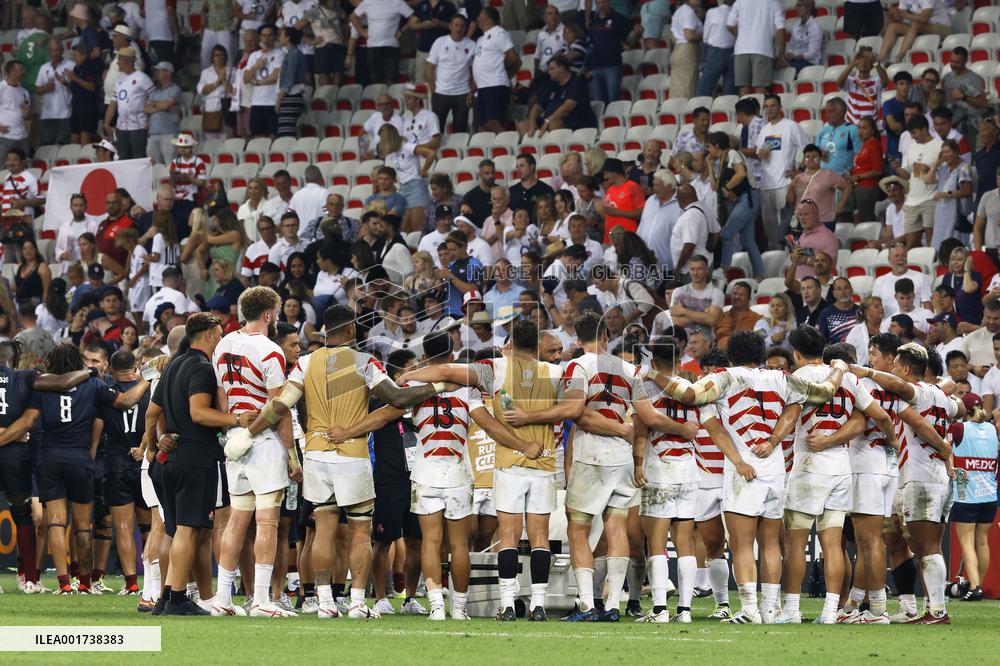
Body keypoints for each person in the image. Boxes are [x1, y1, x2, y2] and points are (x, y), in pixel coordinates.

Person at [243, 305, 454, 618]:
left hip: (315, 454)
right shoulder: (363, 362)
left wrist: (249, 432)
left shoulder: (304, 363)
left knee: (323, 531)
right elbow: (396, 398)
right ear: (352, 329)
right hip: (351, 454)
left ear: (326, 329)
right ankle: (356, 601)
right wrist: (438, 386)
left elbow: (280, 405)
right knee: (359, 532)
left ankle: (325, 601)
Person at [662, 329, 848, 624]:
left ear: (732, 354)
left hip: (744, 471)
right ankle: (771, 609)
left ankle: (749, 609)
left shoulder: (726, 377)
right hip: (774, 470)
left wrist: (652, 375)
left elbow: (690, 395)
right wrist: (838, 367)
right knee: (772, 544)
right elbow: (823, 392)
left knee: (742, 544)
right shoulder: (781, 377)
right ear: (760, 354)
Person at [0, 344, 149, 595]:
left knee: (56, 523)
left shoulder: (42, 386)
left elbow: (27, 421)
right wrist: (146, 380)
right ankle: (85, 582)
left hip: (50, 459)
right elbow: (126, 401)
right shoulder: (93, 385)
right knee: (83, 526)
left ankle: (64, 584)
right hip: (80, 459)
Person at [777, 332, 895, 625]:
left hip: (808, 465)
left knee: (795, 543)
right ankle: (831, 611)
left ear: (797, 353)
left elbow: (789, 418)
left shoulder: (796, 377)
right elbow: (876, 416)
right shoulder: (850, 379)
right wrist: (892, 440)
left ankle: (791, 611)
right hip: (841, 466)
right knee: (832, 543)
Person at [853, 342, 963, 624]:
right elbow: (959, 407)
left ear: (904, 368)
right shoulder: (940, 395)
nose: (891, 369)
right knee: (916, 544)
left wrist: (865, 371)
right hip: (926, 475)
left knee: (926, 547)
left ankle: (937, 611)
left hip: (922, 476)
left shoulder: (919, 392)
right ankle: (915, 607)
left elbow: (905, 392)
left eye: (895, 365)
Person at [949, 392, 998, 602]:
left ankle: (975, 586)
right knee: (982, 542)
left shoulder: (959, 428)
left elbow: (945, 448)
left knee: (967, 543)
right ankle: (978, 583)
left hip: (965, 493)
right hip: (989, 493)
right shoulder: (992, 430)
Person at [755, 94, 809, 250]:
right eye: (766, 106)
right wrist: (760, 154)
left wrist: (799, 170)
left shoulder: (791, 126)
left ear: (779, 107)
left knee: (787, 226)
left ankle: (792, 256)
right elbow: (760, 152)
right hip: (766, 185)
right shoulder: (764, 129)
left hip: (784, 184)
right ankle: (777, 257)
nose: (769, 109)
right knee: (770, 229)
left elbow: (807, 148)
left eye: (772, 105)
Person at [708, 132, 762, 276]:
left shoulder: (732, 153)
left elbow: (741, 174)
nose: (709, 151)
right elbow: (714, 187)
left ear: (717, 146)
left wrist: (727, 187)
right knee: (748, 241)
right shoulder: (722, 161)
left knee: (726, 234)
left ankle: (725, 272)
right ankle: (760, 274)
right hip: (743, 200)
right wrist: (709, 165)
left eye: (709, 147)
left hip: (747, 197)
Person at [377, 124, 437, 233]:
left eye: (383, 139)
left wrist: (424, 170)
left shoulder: (407, 146)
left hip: (416, 187)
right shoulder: (392, 152)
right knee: (405, 228)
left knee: (417, 227)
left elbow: (431, 154)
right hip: (403, 189)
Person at [518, 55, 596, 137]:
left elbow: (568, 107)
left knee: (553, 125)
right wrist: (532, 122)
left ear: (561, 68)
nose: (549, 72)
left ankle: (554, 149)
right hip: (550, 119)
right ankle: (533, 148)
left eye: (552, 69)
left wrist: (548, 120)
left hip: (576, 120)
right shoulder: (551, 83)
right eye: (548, 69)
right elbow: (537, 106)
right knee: (523, 125)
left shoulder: (577, 80)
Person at [471, 8, 520, 133]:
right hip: (482, 87)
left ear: (487, 17)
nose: (477, 18)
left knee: (493, 123)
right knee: (482, 127)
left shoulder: (499, 33)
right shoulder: (480, 39)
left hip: (496, 85)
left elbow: (514, 58)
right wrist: (472, 89)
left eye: (479, 15)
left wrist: (506, 75)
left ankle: (512, 143)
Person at [427, 14, 475, 135]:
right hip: (441, 92)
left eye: (462, 26)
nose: (459, 28)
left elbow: (475, 70)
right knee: (437, 129)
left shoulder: (471, 45)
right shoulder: (440, 42)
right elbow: (430, 67)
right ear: (450, 26)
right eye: (456, 25)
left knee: (460, 128)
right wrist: (433, 89)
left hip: (462, 93)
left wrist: (471, 91)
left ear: (465, 28)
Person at [103, 47, 154, 160]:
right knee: (123, 158)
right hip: (122, 128)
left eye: (119, 60)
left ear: (126, 61)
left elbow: (154, 99)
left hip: (138, 127)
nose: (117, 62)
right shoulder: (120, 81)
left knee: (138, 158)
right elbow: (113, 103)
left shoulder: (143, 78)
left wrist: (150, 121)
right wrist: (106, 123)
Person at [726, 0, 785, 96]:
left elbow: (729, 25)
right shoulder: (773, 3)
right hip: (762, 49)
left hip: (741, 49)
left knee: (743, 88)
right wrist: (781, 53)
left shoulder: (740, 2)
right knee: (760, 88)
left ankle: (745, 110)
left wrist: (741, 36)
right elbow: (781, 28)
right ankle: (759, 110)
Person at [351, 0, 417, 85]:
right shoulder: (368, 2)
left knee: (390, 80)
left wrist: (402, 31)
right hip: (372, 46)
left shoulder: (397, 2)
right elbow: (353, 16)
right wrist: (361, 31)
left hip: (391, 45)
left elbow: (414, 17)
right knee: (374, 80)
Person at [788, 146, 851, 227]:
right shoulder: (798, 178)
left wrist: (840, 207)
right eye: (807, 157)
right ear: (804, 160)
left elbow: (847, 187)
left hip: (823, 220)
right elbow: (791, 201)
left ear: (820, 158)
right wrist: (791, 188)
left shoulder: (829, 174)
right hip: (801, 220)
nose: (810, 159)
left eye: (814, 156)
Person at [584, 0, 631, 105]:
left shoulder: (618, 18)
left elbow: (635, 30)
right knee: (598, 102)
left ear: (609, 2)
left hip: (612, 65)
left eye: (603, 2)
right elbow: (590, 44)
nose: (601, 5)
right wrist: (586, 67)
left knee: (613, 100)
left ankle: (616, 121)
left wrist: (629, 43)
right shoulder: (593, 20)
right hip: (596, 67)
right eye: (598, 2)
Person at [878, 0, 950, 66]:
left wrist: (903, 14)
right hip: (920, 28)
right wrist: (891, 14)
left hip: (941, 27)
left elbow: (924, 18)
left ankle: (898, 58)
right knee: (893, 26)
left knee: (916, 23)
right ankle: (879, 59)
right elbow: (899, 17)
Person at [931, 139, 974, 249]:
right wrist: (936, 163)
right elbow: (927, 180)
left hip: (956, 217)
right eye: (943, 152)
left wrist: (945, 194)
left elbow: (967, 191)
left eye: (948, 152)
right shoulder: (944, 168)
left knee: (954, 247)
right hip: (942, 216)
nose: (945, 155)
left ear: (956, 152)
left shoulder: (963, 167)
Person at [244, 24, 284, 138]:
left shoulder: (279, 53)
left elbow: (275, 76)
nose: (266, 39)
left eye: (270, 35)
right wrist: (256, 66)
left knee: (273, 136)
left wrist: (257, 82)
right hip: (256, 102)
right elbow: (246, 78)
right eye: (264, 35)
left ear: (275, 37)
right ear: (260, 37)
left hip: (272, 101)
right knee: (258, 137)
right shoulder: (254, 56)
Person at [34, 38, 74, 145]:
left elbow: (78, 88)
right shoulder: (44, 67)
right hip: (47, 114)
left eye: (57, 50)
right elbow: (37, 90)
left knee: (63, 147)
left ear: (62, 50)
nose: (54, 53)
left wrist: (65, 82)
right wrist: (45, 88)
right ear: (48, 51)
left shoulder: (71, 65)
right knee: (47, 147)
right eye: (52, 50)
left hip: (65, 114)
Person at [847, 117, 884, 223]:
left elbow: (878, 170)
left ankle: (870, 239)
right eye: (859, 128)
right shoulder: (866, 144)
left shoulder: (874, 145)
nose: (860, 131)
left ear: (872, 131)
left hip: (868, 188)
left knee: (866, 219)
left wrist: (858, 176)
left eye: (864, 128)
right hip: (859, 187)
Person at [145, 62, 183, 164]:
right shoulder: (154, 91)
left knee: (170, 165)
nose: (156, 73)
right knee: (153, 167)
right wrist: (161, 106)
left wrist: (154, 104)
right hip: (153, 134)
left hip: (169, 134)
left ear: (168, 73)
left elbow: (167, 106)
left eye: (159, 71)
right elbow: (145, 108)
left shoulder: (175, 89)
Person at [695, 0, 735, 97]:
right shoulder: (736, 12)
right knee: (730, 90)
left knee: (705, 88)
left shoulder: (712, 12)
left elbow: (705, 36)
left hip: (715, 52)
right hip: (733, 52)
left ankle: (701, 108)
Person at [601, 158, 645, 244]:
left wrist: (617, 212)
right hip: (609, 239)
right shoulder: (610, 189)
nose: (604, 177)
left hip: (626, 239)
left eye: (606, 173)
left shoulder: (633, 187)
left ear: (615, 172)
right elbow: (608, 213)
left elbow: (640, 213)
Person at [816, 98, 859, 178]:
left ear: (841, 113)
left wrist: (850, 172)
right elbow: (815, 151)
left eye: (831, 112)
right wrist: (819, 153)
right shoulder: (824, 129)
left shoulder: (852, 130)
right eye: (826, 112)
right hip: (822, 178)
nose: (827, 115)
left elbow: (860, 156)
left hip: (842, 180)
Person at [276, 27, 307, 137]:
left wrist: (279, 99)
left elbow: (289, 79)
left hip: (291, 96)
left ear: (288, 38)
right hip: (293, 96)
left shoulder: (293, 54)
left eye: (281, 35)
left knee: (286, 132)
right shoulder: (295, 53)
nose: (279, 38)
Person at [668, 0, 702, 100]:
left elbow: (673, 37)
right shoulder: (688, 12)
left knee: (677, 88)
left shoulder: (679, 11)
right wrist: (705, 36)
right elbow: (689, 35)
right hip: (688, 51)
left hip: (678, 49)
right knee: (687, 87)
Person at [714, 281, 760, 350]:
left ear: (749, 299)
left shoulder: (757, 319)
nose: (737, 297)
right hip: (719, 357)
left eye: (741, 295)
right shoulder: (720, 317)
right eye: (734, 293)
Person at [0, 61, 30, 158]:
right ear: (11, 71)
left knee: (24, 165)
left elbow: (28, 117)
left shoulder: (24, 92)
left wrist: (26, 112)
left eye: (22, 70)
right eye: (19, 70)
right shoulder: (1, 88)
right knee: (3, 167)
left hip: (22, 136)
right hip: (6, 136)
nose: (22, 72)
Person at [845, 296, 884, 367]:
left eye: (881, 306)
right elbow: (847, 352)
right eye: (876, 306)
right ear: (866, 311)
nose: (881, 308)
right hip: (861, 373)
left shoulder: (888, 326)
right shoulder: (856, 330)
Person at [817, 277, 858, 343]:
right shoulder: (826, 313)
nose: (843, 292)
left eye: (846, 288)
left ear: (851, 290)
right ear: (834, 294)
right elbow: (821, 340)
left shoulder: (860, 312)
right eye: (839, 289)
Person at [785, 0, 822, 73]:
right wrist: (788, 55)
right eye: (796, 6)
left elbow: (812, 53)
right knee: (775, 62)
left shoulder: (815, 27)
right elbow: (791, 47)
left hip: (810, 63)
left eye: (799, 6)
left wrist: (794, 57)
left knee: (783, 65)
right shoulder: (796, 25)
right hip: (796, 60)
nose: (796, 8)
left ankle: (787, 67)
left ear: (808, 8)